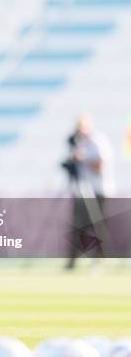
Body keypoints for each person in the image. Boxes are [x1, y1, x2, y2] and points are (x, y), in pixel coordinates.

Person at [64, 115, 114, 270]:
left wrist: (83, 159)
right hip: (82, 190)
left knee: (96, 225)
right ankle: (73, 261)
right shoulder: (78, 143)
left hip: (98, 189)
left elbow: (101, 165)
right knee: (78, 226)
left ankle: (100, 260)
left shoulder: (98, 141)